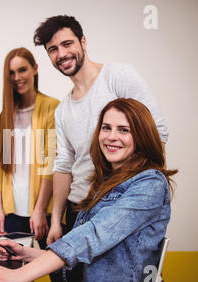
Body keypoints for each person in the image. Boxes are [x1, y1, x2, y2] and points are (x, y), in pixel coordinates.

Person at [0, 98, 178, 282]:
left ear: (142, 136)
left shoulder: (150, 184)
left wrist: (16, 276)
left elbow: (90, 237)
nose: (111, 136)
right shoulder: (107, 182)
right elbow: (85, 258)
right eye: (106, 128)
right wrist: (26, 253)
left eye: (124, 130)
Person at [32, 15, 169, 245]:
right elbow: (63, 165)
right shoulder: (63, 109)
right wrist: (56, 221)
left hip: (116, 207)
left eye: (67, 44)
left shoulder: (118, 77)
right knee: (69, 280)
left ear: (83, 42)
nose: (62, 54)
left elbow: (158, 133)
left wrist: (144, 198)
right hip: (77, 212)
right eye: (53, 49)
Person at [0, 47, 60, 248]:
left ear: (35, 69)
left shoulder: (52, 107)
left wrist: (38, 209)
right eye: (11, 73)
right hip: (12, 212)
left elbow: (50, 163)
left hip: (43, 210)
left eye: (22, 70)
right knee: (18, 276)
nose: (17, 77)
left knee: (59, 275)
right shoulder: (6, 114)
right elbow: (1, 166)